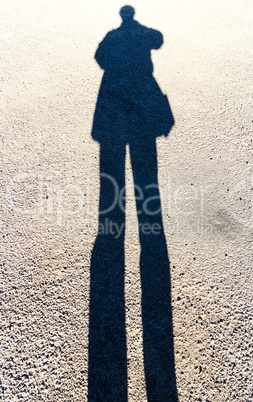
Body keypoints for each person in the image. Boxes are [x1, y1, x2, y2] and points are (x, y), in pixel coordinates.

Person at [88, 6, 178, 401]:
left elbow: (99, 58)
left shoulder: (112, 38)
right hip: (141, 103)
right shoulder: (143, 36)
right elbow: (159, 39)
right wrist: (139, 35)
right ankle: (149, 222)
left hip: (113, 105)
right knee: (145, 168)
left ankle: (112, 225)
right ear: (133, 15)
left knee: (112, 173)